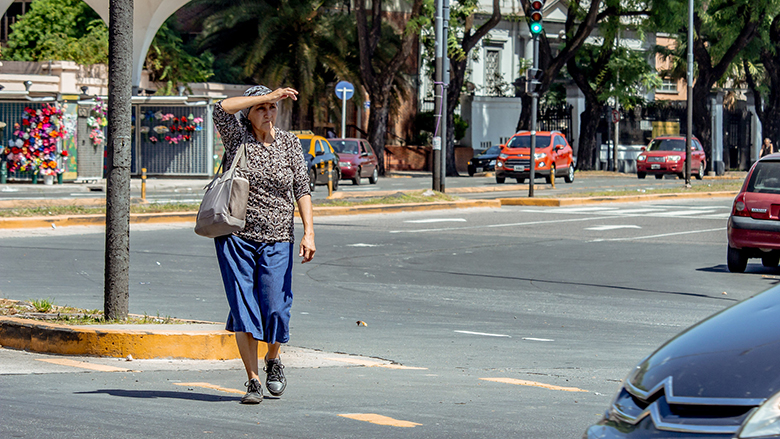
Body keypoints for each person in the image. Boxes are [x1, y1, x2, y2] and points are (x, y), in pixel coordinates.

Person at [212, 85, 315, 404]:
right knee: (244, 308)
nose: (268, 112)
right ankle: (253, 379)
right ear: (250, 112)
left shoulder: (289, 143)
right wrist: (263, 96)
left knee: (276, 308)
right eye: (261, 108)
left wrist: (309, 231)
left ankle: (273, 359)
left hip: (278, 237)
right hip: (236, 236)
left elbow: (302, 186)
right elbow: (220, 108)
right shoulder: (237, 138)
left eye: (272, 107)